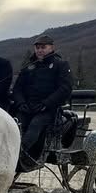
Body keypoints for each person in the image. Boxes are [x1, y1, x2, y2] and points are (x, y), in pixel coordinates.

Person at [12, 34, 73, 163]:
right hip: (27, 107)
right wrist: (21, 103)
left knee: (36, 124)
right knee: (15, 123)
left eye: (43, 47)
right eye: (37, 47)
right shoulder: (29, 67)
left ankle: (20, 154)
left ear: (51, 47)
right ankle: (9, 151)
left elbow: (65, 89)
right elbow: (17, 89)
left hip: (48, 109)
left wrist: (46, 104)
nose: (40, 50)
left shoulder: (60, 65)